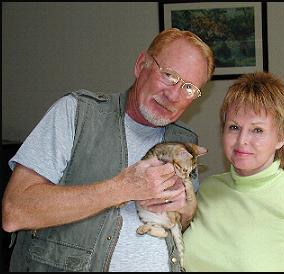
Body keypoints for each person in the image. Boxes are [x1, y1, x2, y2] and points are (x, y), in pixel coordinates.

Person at [2, 28, 214, 272]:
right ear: (140, 65)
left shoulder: (185, 142)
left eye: (189, 88)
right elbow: (15, 211)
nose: (174, 95)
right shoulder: (76, 114)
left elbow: (185, 222)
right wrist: (123, 188)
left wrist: (185, 209)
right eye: (168, 75)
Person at [183, 71, 284, 272]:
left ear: (281, 136)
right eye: (234, 127)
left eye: (257, 130)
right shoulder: (206, 191)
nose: (242, 140)